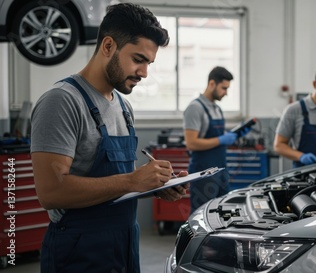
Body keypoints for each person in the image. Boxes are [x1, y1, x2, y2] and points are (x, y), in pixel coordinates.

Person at [30, 3, 188, 273]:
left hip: (124, 246)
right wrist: (132, 180)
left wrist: (150, 185)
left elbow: (113, 187)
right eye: (138, 59)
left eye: (149, 63)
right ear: (107, 46)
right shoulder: (62, 102)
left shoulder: (124, 108)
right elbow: (50, 192)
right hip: (78, 254)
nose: (144, 73)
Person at [183, 66, 249, 214]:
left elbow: (217, 137)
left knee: (222, 212)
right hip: (203, 173)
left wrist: (235, 135)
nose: (226, 93)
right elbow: (191, 143)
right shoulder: (195, 108)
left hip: (221, 171)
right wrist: (221, 140)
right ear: (212, 84)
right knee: (202, 215)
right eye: (224, 88)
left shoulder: (217, 109)